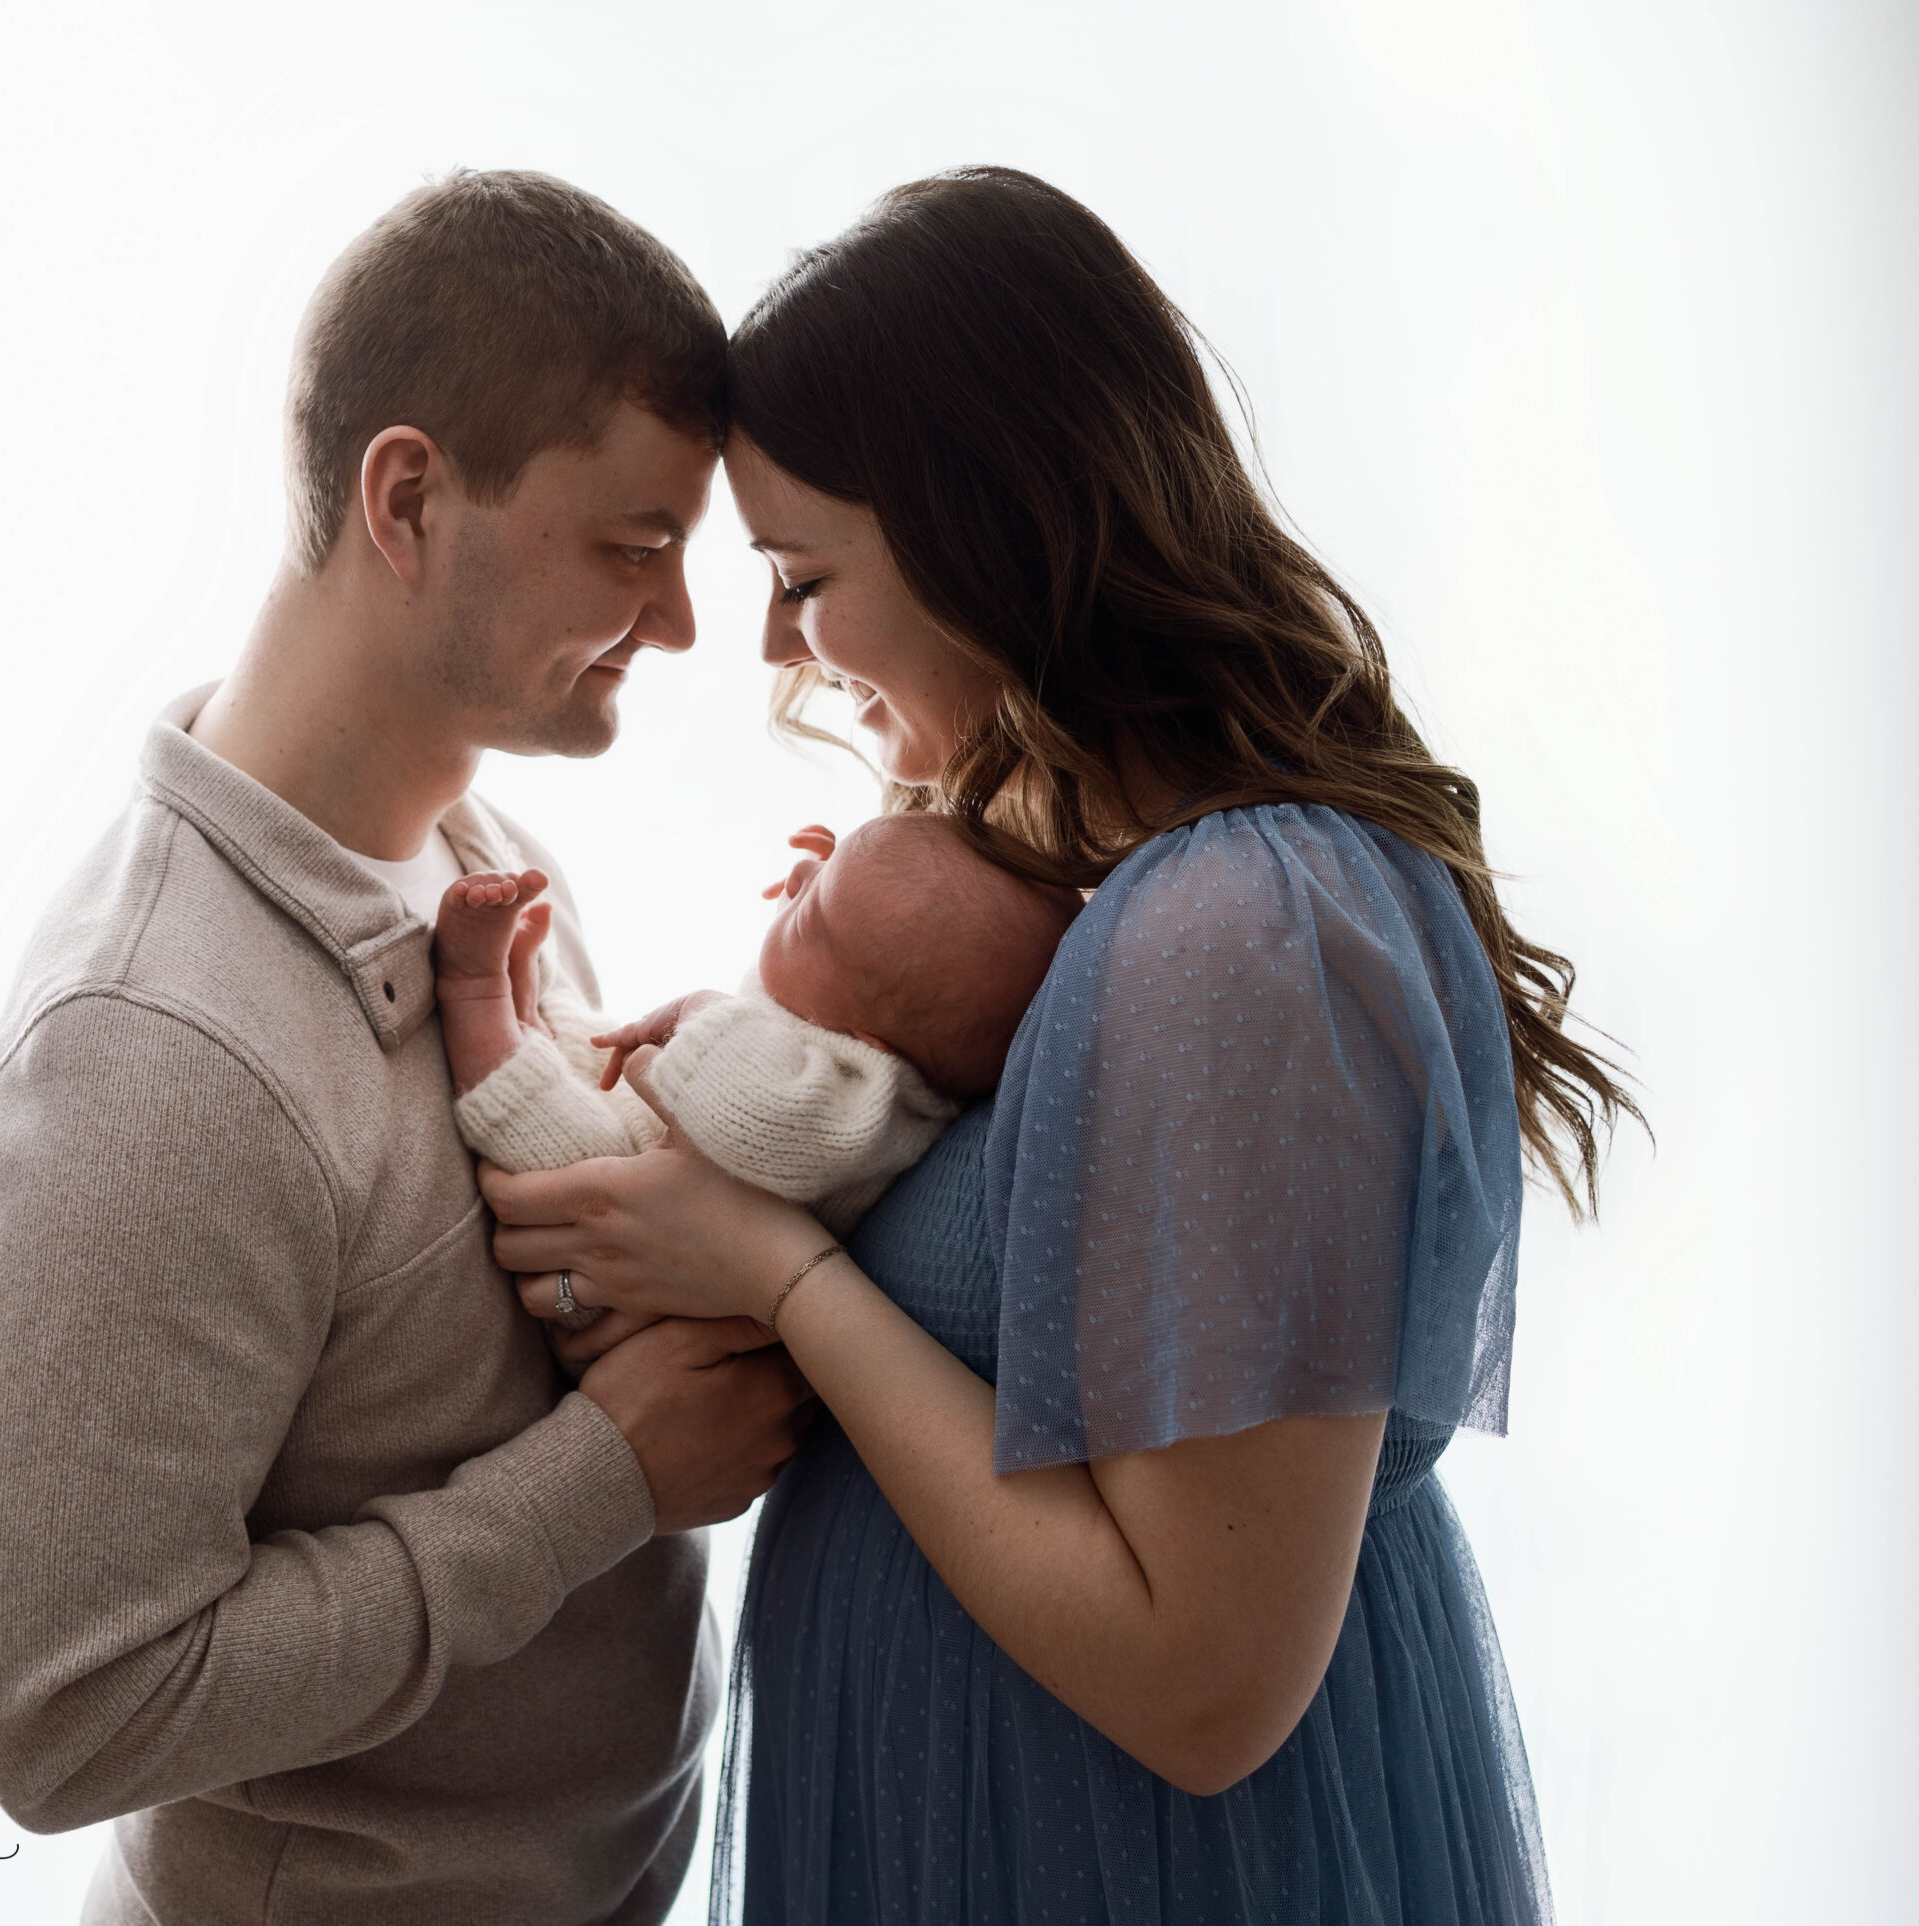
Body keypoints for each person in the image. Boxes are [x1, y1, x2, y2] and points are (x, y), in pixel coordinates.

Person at [479, 167, 1641, 1925]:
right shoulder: (1098, 895)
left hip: (1137, 1855)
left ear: (982, 529)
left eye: (805, 576)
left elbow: (1207, 1686)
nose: (781, 645)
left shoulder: (1253, 929)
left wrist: (788, 1280)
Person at [0, 170, 810, 1926]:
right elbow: (67, 1714)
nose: (684, 626)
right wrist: (599, 1485)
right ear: (408, 498)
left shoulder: (491, 858)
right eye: (634, 550)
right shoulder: (149, 1050)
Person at [428, 814, 1076, 1260]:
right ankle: (541, 1023)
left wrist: (701, 1010)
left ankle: (476, 995)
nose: (794, 881)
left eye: (811, 917)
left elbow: (755, 1115)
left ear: (867, 1041)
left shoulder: (867, 1104)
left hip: (632, 1264)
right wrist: (839, 880)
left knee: (574, 1150)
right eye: (819, 868)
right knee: (597, 1046)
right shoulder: (862, 1027)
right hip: (660, 1181)